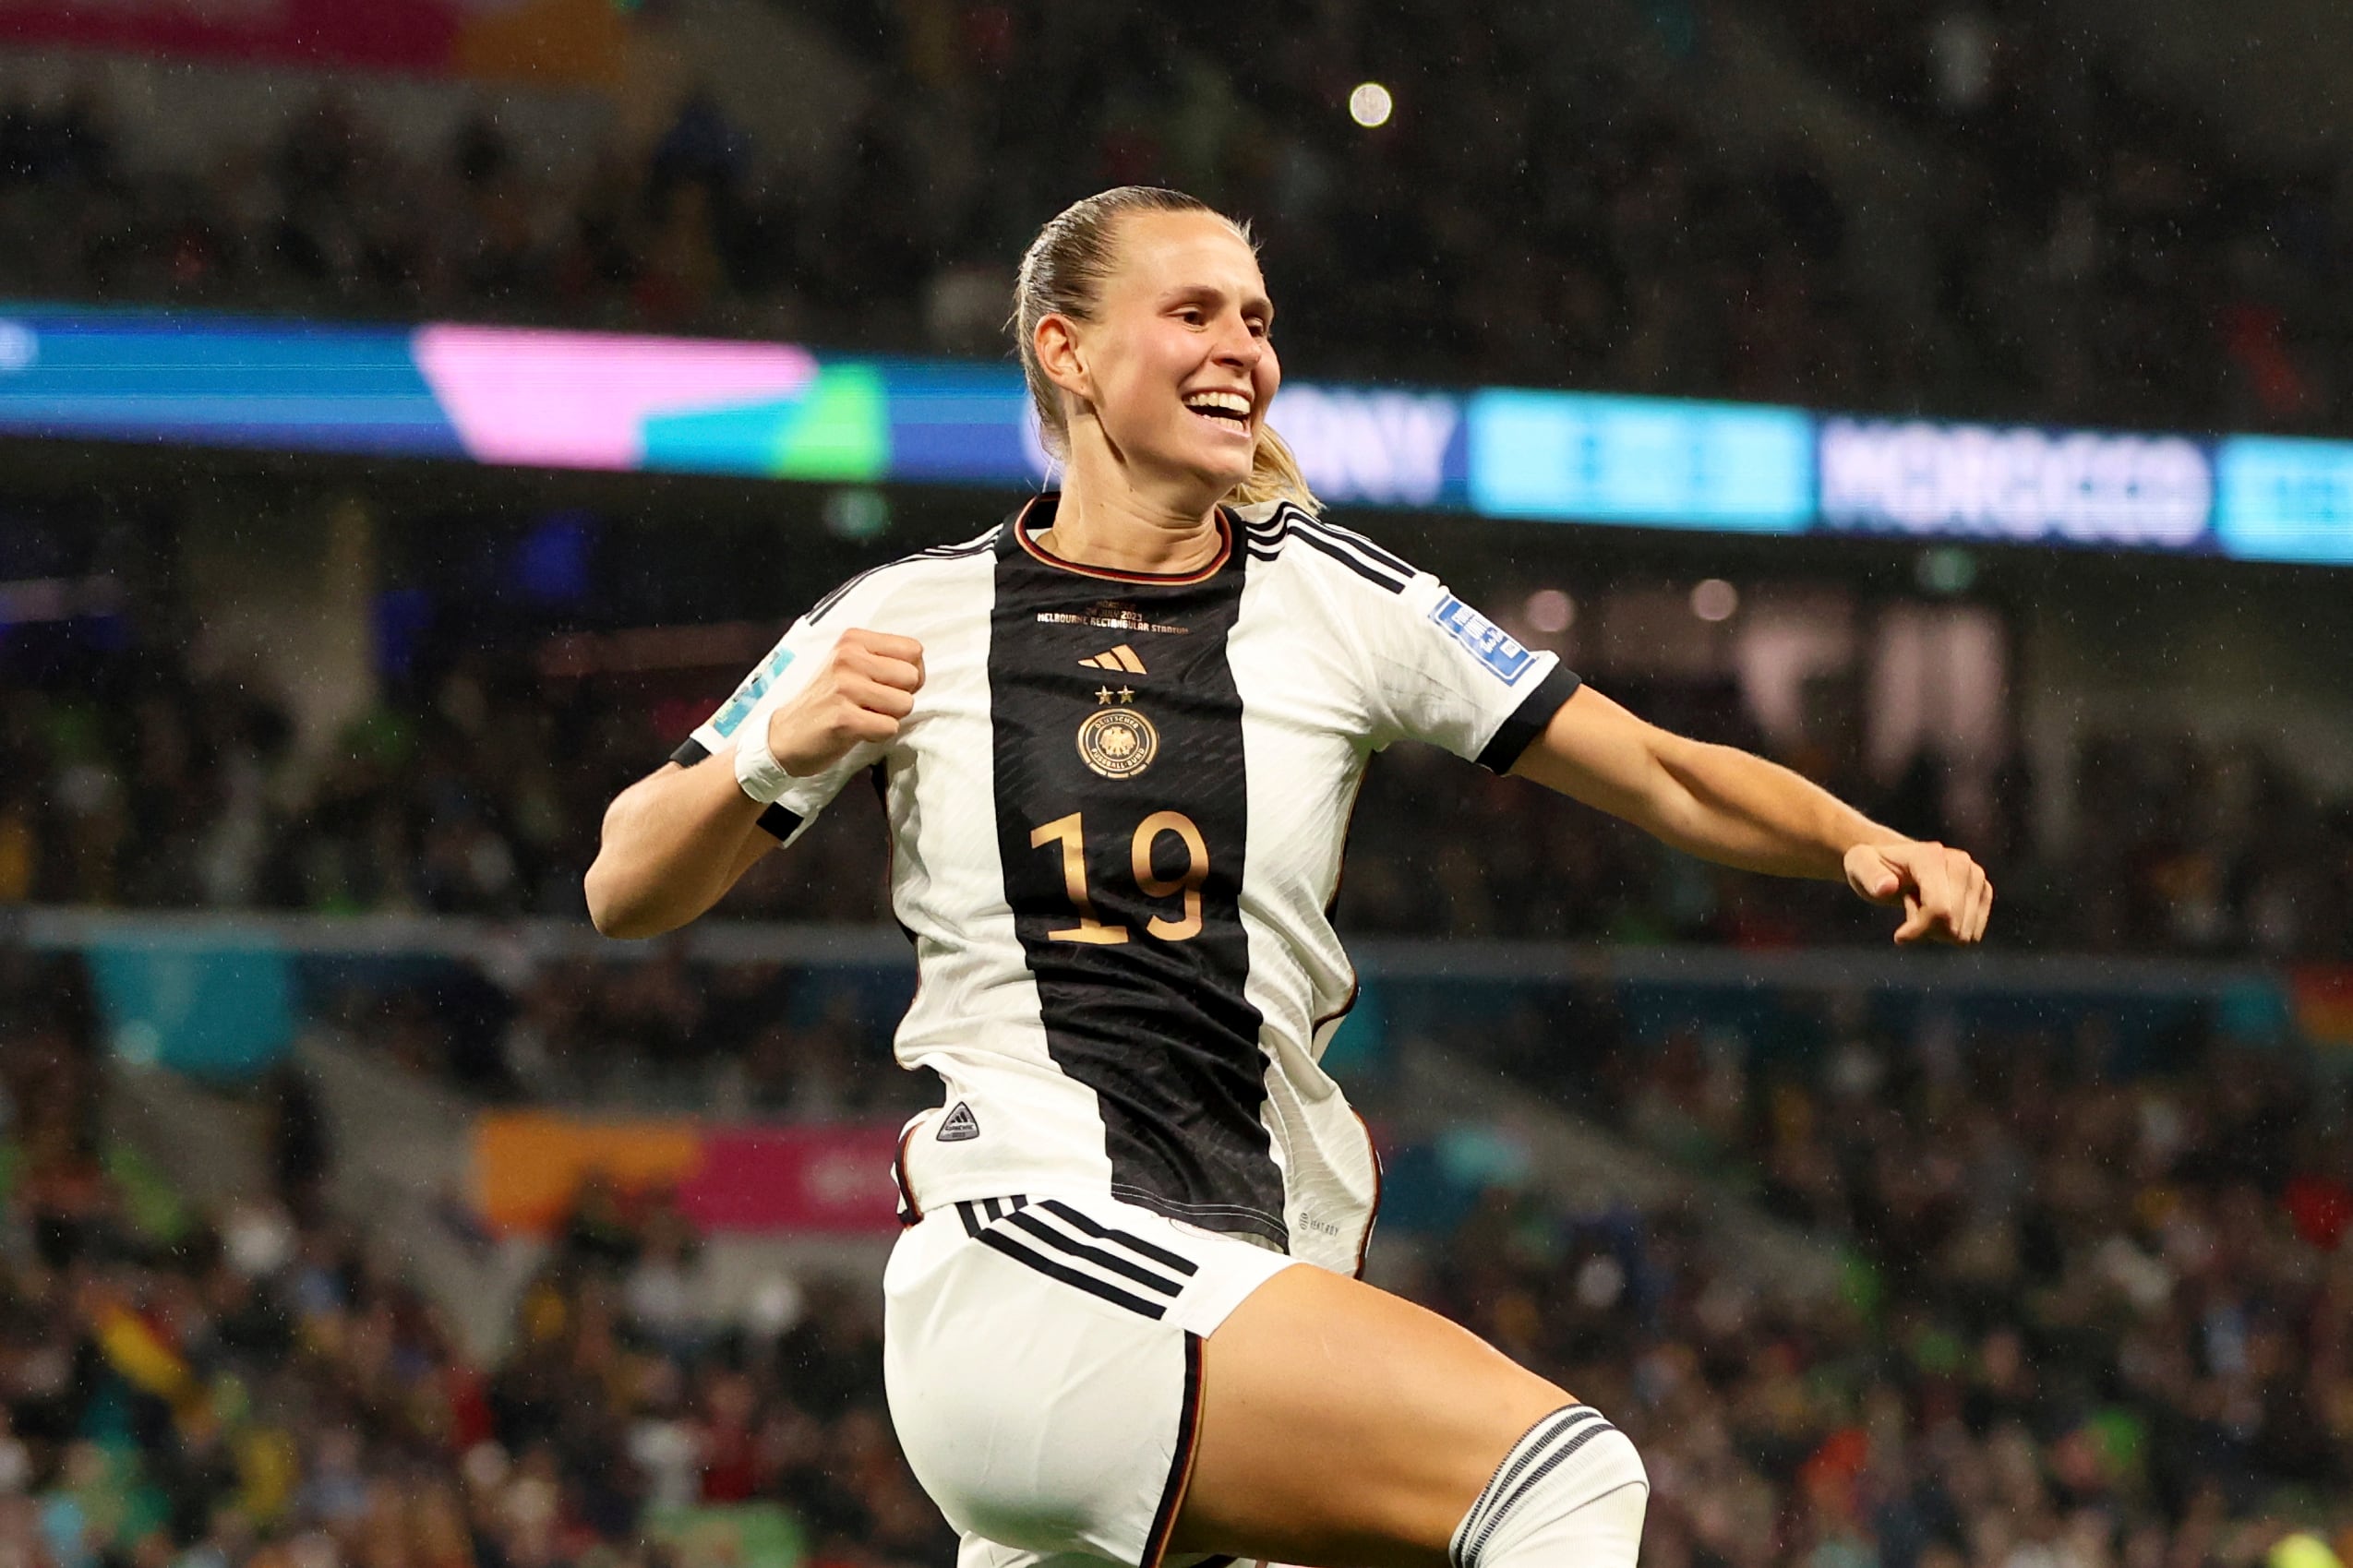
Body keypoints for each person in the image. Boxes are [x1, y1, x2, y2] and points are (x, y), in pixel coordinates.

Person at [584, 186, 1992, 1568]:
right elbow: (623, 882)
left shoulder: (1333, 595)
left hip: (1228, 1286)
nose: (1240, 350)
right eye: (1192, 312)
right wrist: (774, 752)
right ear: (1065, 350)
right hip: (1036, 1256)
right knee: (1560, 1477)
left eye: (1255, 321)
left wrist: (1852, 839)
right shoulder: (907, 615)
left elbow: (1660, 772)